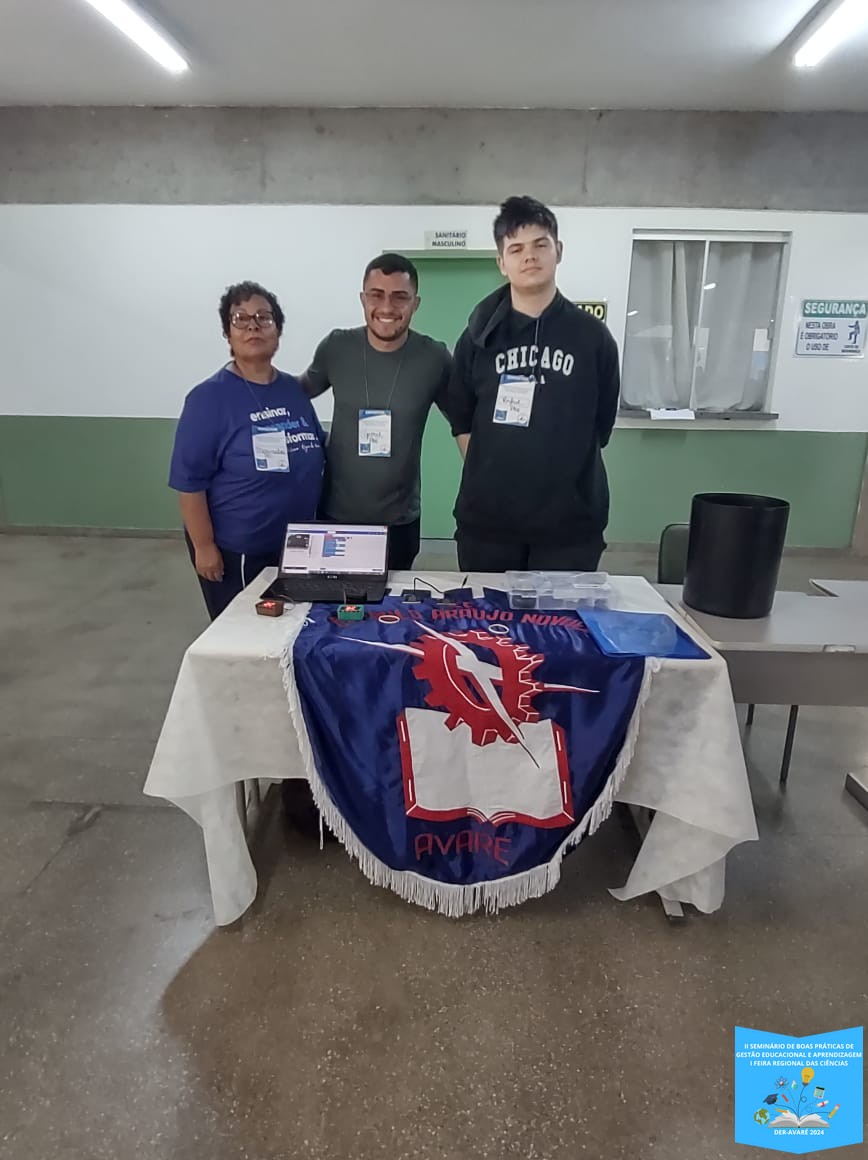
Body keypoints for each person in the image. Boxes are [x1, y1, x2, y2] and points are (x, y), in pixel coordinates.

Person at [448, 196, 620, 573]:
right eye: (516, 249)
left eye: (540, 244)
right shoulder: (477, 337)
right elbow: (460, 417)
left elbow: (602, 423)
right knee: (487, 613)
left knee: (562, 613)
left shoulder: (593, 337)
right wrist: (493, 469)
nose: (529, 256)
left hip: (569, 529)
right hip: (489, 526)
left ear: (559, 251)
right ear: (501, 262)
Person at [170, 281, 325, 620]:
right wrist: (204, 546)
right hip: (239, 552)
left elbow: (315, 444)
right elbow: (189, 483)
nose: (253, 326)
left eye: (264, 318)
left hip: (295, 548)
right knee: (243, 633)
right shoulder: (208, 399)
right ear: (227, 333)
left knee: (288, 629)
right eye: (240, 318)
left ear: (278, 330)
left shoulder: (292, 389)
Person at [300, 254, 455, 571]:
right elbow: (296, 394)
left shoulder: (434, 358)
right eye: (376, 294)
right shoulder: (337, 347)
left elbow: (466, 421)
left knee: (390, 602)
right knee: (336, 601)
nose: (387, 307)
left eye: (400, 297)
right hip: (336, 517)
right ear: (362, 299)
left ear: (415, 304)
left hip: (398, 521)